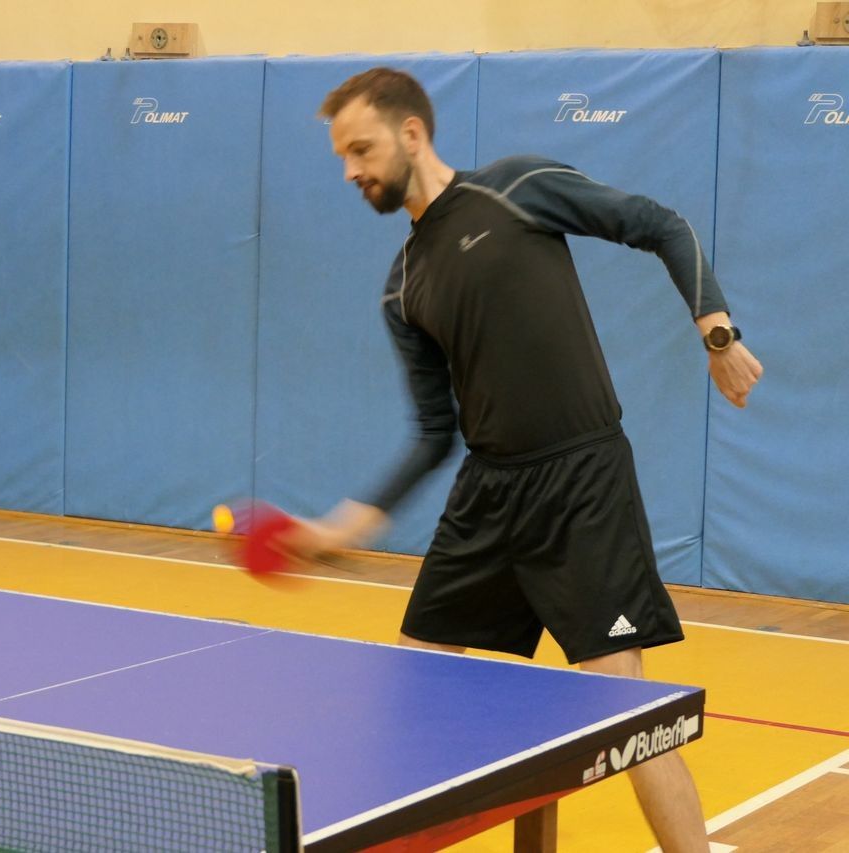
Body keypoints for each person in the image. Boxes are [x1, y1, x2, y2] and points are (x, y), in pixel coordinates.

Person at [284, 68, 763, 853]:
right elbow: (433, 432)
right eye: (342, 156)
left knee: (626, 711)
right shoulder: (402, 287)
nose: (350, 170)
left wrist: (717, 333)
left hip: (582, 482)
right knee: (415, 683)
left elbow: (660, 224)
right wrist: (347, 523)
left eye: (361, 149)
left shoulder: (516, 189)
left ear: (412, 133)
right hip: (489, 492)